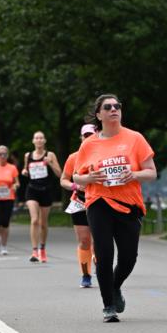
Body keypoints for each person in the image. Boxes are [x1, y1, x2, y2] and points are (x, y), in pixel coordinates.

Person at [72, 93, 156, 322]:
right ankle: (108, 305)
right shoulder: (89, 144)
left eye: (117, 106)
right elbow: (76, 176)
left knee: (129, 258)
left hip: (129, 204)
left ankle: (115, 286)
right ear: (99, 114)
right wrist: (90, 178)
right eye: (107, 107)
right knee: (104, 253)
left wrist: (134, 174)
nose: (113, 109)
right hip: (98, 202)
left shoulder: (135, 138)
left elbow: (151, 171)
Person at [60, 123, 97, 287]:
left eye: (91, 135)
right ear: (81, 138)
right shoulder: (73, 157)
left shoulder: (103, 155)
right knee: (84, 241)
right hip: (79, 202)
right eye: (85, 136)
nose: (88, 138)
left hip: (99, 201)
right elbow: (63, 180)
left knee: (100, 241)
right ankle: (86, 275)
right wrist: (75, 186)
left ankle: (101, 268)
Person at [22, 131, 62, 263]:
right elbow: (25, 170)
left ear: (44, 141)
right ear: (33, 141)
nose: (38, 140)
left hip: (46, 191)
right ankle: (34, 251)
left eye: (41, 138)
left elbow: (59, 173)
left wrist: (50, 163)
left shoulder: (50, 155)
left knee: (43, 223)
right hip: (32, 190)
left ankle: (42, 249)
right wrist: (25, 171)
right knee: (34, 220)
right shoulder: (28, 155)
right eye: (36, 138)